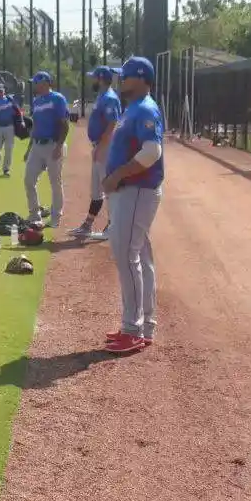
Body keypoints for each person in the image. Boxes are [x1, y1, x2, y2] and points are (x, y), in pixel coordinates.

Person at [101, 57, 164, 354]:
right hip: (132, 192)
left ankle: (133, 329)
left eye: (124, 75)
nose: (120, 79)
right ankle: (144, 324)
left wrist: (117, 175)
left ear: (139, 77)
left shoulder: (146, 108)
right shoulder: (134, 108)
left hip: (137, 190)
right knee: (139, 256)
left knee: (127, 255)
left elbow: (152, 151)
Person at [69, 66, 121, 240]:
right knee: (97, 189)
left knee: (108, 188)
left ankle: (113, 226)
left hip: (106, 147)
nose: (92, 81)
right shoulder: (102, 96)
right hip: (100, 146)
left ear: (100, 79)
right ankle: (88, 225)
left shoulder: (110, 97)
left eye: (94, 78)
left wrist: (100, 148)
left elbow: (112, 124)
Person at [23, 71, 70, 227]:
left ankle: (56, 216)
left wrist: (58, 146)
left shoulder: (57, 98)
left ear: (43, 82)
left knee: (55, 182)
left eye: (35, 83)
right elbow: (35, 126)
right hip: (37, 145)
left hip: (53, 144)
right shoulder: (36, 101)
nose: (34, 86)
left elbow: (64, 124)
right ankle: (34, 215)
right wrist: (29, 148)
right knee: (29, 180)